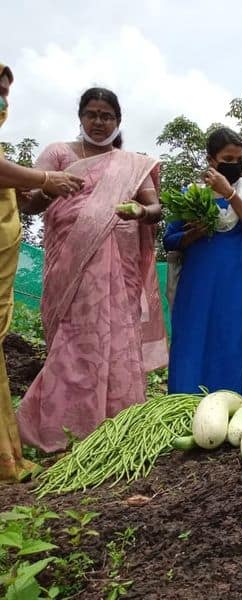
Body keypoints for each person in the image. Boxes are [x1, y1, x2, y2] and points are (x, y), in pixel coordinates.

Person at [16, 87, 167, 452]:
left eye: (107, 116)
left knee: (116, 337)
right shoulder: (58, 152)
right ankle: (63, 431)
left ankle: (119, 428)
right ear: (80, 117)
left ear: (118, 121)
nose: (99, 123)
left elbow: (156, 209)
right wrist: (54, 188)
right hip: (70, 262)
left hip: (121, 258)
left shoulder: (131, 163)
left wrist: (138, 212)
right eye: (92, 115)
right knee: (74, 340)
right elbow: (30, 204)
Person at [0, 63, 84, 479]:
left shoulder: (128, 163)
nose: (3, 100)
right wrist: (45, 180)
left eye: (6, 93)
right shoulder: (55, 153)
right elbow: (23, 189)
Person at [164, 128, 242, 400]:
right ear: (211, 160)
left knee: (232, 343)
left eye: (240, 160)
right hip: (197, 285)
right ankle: (184, 408)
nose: (235, 165)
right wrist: (192, 234)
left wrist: (230, 194)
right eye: (228, 158)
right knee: (192, 343)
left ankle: (229, 411)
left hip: (239, 286)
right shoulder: (192, 193)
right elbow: (169, 240)